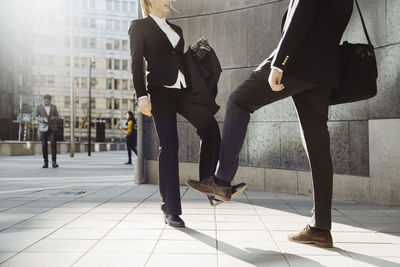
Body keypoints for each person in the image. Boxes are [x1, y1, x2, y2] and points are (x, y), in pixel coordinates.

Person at [187, 0, 354, 248]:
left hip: (296, 64)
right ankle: (320, 228)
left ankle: (221, 182)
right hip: (324, 74)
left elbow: (301, 16)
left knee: (238, 102)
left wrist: (280, 63)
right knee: (318, 146)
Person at [130, 0, 227, 227]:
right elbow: (136, 63)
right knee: (170, 145)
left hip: (184, 91)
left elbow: (179, 60)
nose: (170, 1)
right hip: (160, 92)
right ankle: (170, 208)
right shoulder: (139, 26)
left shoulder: (177, 29)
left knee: (210, 128)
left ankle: (209, 183)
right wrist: (141, 96)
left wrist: (195, 50)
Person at [35, 95, 59, 168]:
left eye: (48, 101)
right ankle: (46, 162)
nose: (46, 102)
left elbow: (57, 116)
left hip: (52, 128)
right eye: (45, 101)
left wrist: (54, 117)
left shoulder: (53, 107)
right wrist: (42, 119)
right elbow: (35, 116)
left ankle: (54, 162)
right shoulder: (39, 106)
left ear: (50, 101)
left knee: (53, 145)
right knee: (44, 145)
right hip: (43, 128)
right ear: (44, 100)